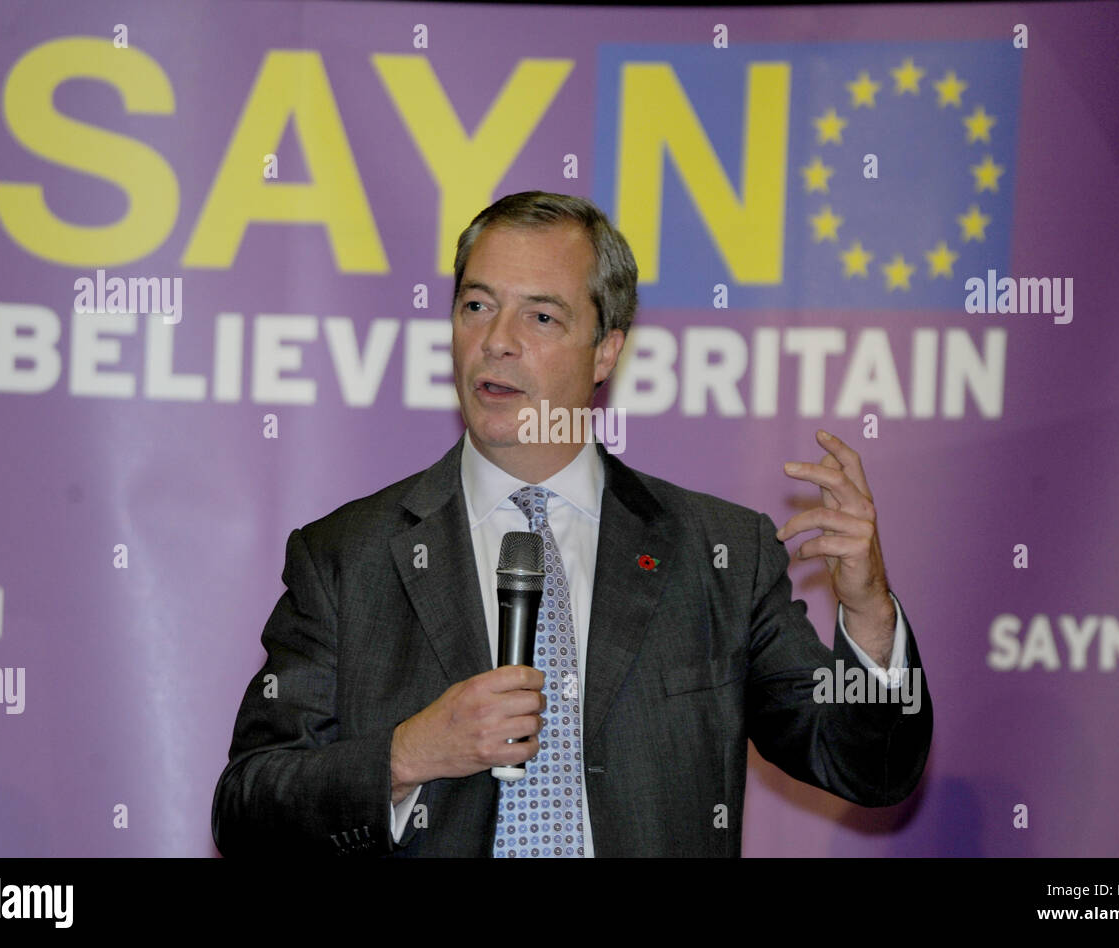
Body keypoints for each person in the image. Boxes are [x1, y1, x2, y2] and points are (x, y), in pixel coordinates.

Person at [211, 191, 932, 857]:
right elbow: (246, 809)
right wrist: (406, 755)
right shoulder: (347, 556)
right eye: (476, 306)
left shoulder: (720, 554)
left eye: (541, 316)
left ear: (607, 350)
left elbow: (869, 766)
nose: (496, 340)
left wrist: (868, 611)